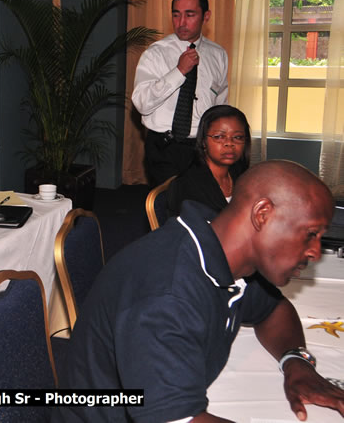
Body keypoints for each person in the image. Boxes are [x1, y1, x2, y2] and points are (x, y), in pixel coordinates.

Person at [53, 160, 344, 422]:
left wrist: (295, 361)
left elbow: (273, 310)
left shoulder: (224, 251)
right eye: (311, 233)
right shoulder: (165, 295)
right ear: (263, 214)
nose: (316, 252)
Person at [131, 0, 229, 186]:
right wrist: (179, 72)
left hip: (203, 148)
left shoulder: (218, 55)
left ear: (206, 16)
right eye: (176, 15)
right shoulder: (156, 54)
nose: (181, 22)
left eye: (189, 15)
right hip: (165, 148)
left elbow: (220, 104)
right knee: (171, 207)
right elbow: (141, 103)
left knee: (202, 209)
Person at [167, 105, 251, 217]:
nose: (229, 143)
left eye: (238, 137)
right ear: (203, 142)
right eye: (219, 137)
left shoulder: (241, 174)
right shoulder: (186, 186)